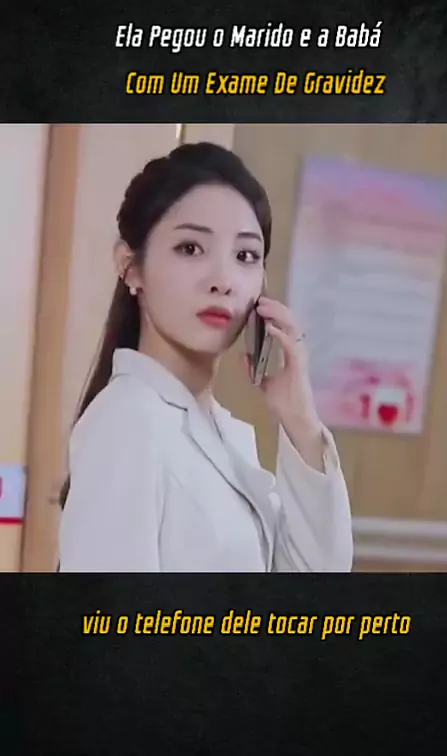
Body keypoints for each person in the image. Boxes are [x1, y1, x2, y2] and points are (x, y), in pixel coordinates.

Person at [58, 142, 353, 572]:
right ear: (130, 266)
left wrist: (300, 419)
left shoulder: (221, 433)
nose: (223, 280)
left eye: (245, 256)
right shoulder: (128, 420)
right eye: (190, 248)